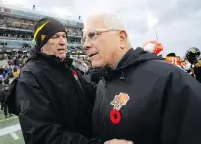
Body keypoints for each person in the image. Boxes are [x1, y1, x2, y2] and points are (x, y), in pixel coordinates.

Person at [82, 12, 201, 144]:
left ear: (121, 38)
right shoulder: (103, 82)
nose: (85, 45)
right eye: (84, 39)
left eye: (93, 35)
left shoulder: (169, 79)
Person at [16, 17, 97, 144]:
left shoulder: (68, 67)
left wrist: (107, 75)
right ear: (42, 42)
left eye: (64, 36)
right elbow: (41, 135)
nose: (62, 42)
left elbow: (90, 92)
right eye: (55, 36)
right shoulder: (31, 75)